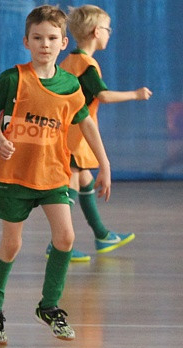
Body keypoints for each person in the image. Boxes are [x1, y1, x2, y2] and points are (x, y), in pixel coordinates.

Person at [0, 5, 112, 345]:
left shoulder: (69, 84)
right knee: (12, 245)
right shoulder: (13, 79)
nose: (45, 44)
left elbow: (87, 123)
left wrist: (104, 164)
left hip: (53, 174)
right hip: (14, 177)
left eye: (52, 38)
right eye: (37, 38)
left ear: (64, 42)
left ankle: (49, 306)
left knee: (65, 238)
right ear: (26, 41)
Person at [43, 4, 152, 261]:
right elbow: (102, 95)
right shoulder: (86, 65)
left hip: (71, 135)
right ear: (95, 32)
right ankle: (58, 245)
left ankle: (101, 234)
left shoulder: (71, 59)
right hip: (71, 136)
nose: (109, 33)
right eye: (107, 28)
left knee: (85, 181)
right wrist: (135, 95)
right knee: (71, 184)